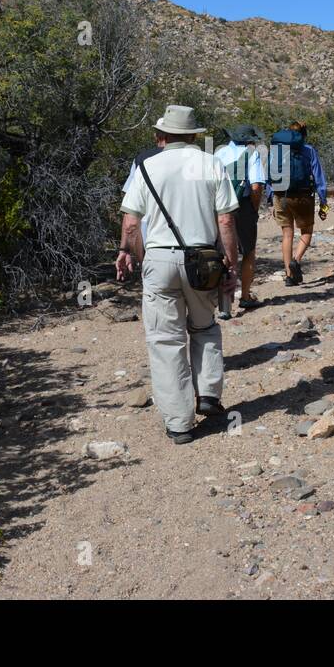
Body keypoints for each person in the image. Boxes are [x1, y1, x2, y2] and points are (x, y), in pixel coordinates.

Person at [116, 105, 241, 445]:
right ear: (193, 136)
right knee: (205, 327)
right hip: (203, 261)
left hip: (158, 259)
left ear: (163, 135)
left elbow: (131, 222)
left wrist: (127, 253)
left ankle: (179, 424)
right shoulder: (211, 163)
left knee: (165, 341)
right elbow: (226, 221)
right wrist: (231, 265)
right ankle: (208, 395)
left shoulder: (146, 165)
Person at [213, 123, 268, 318]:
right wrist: (254, 208)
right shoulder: (251, 154)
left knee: (223, 253)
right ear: (250, 140)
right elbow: (255, 187)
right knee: (248, 252)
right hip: (241, 206)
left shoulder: (218, 154)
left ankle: (223, 304)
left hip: (219, 207)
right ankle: (244, 296)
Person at [267, 120, 328, 286]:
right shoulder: (309, 150)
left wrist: (270, 199)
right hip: (303, 196)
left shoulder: (277, 150)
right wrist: (324, 202)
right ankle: (296, 260)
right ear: (304, 134)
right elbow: (319, 178)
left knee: (287, 235)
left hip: (281, 196)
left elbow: (269, 176)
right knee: (306, 232)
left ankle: (289, 275)